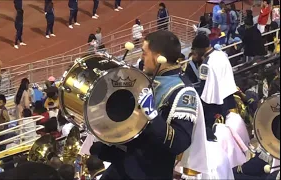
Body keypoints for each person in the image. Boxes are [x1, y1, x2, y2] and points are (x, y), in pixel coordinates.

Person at [90, 30, 208, 179]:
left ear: (158, 57)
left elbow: (180, 142)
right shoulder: (142, 78)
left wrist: (153, 115)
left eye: (144, 53)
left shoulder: (183, 92)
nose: (141, 57)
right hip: (121, 167)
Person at [190, 34, 249, 167]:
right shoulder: (221, 54)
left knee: (214, 135)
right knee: (228, 132)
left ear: (199, 49)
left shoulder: (206, 64)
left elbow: (204, 88)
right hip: (228, 98)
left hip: (213, 104)